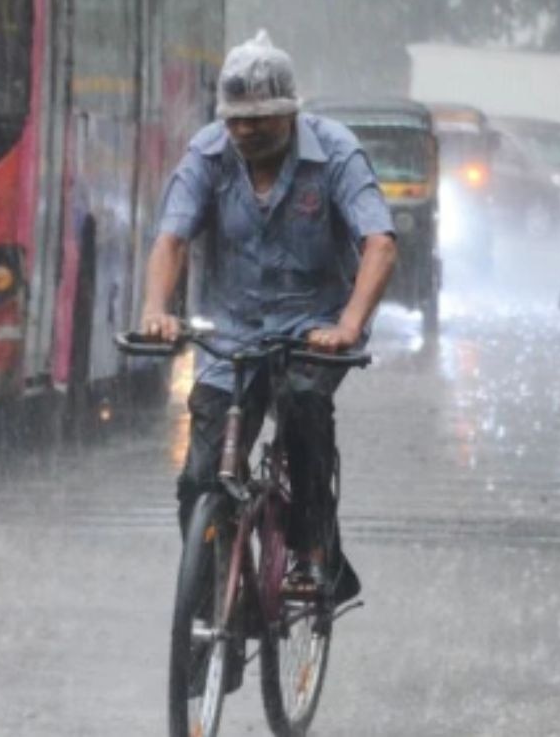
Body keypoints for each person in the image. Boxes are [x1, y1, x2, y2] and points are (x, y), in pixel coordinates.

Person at [140, 30, 397, 603]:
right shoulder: (207, 155)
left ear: (290, 113)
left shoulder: (335, 154)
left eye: (260, 120)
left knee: (304, 405)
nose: (245, 132)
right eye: (236, 121)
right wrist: (156, 311)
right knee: (198, 481)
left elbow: (380, 245)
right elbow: (172, 240)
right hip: (229, 333)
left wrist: (349, 327)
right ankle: (210, 614)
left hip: (315, 330)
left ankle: (315, 549)